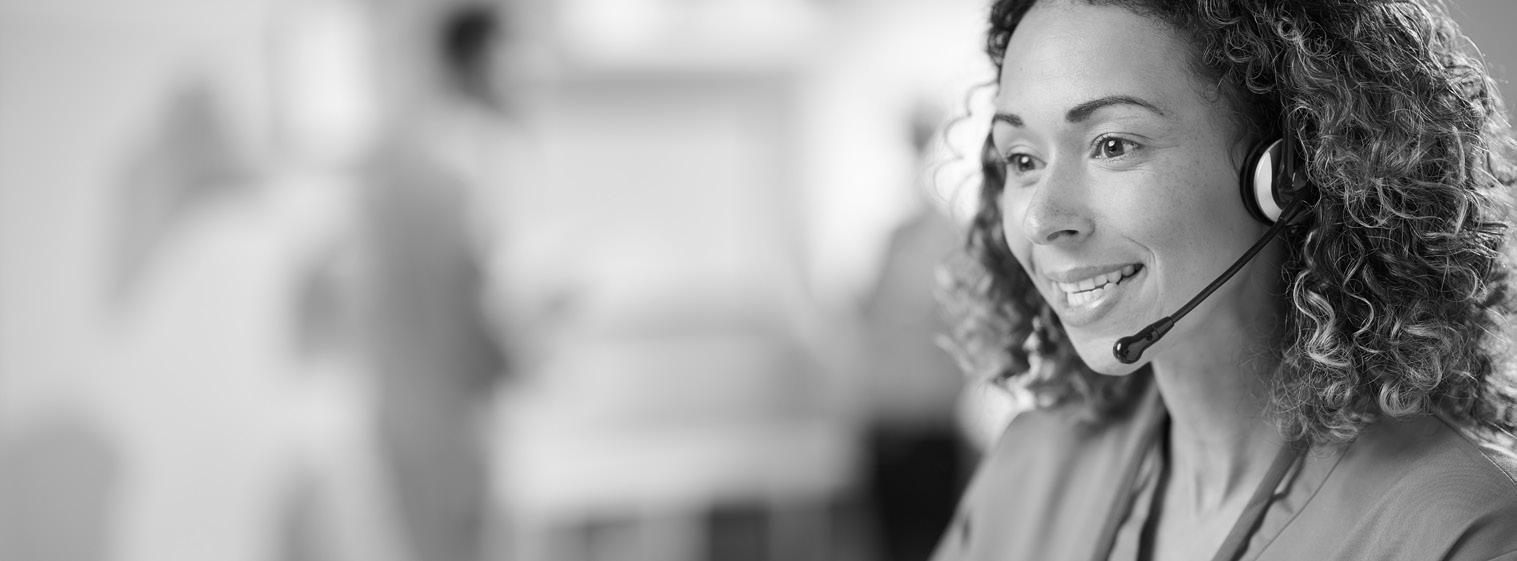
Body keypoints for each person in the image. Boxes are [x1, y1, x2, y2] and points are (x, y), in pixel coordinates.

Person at [932, 1, 1517, 560]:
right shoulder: (1029, 465)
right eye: (1023, 160)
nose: (1039, 220)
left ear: (1287, 176)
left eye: (1112, 145)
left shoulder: (1459, 532)